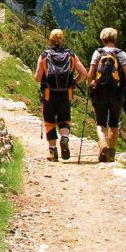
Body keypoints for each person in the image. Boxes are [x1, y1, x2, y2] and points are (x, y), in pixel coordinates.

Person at [34, 29, 87, 161]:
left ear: (50, 40)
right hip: (65, 94)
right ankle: (64, 137)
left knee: (49, 122)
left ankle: (52, 152)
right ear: (62, 40)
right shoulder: (71, 55)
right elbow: (84, 73)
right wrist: (74, 81)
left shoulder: (44, 55)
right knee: (64, 120)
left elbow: (37, 77)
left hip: (49, 94)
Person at [87, 27, 126, 163]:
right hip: (116, 92)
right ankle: (111, 154)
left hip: (100, 91)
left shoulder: (98, 53)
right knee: (114, 123)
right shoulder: (121, 54)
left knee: (100, 122)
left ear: (102, 39)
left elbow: (91, 72)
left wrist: (90, 84)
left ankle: (102, 144)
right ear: (115, 38)